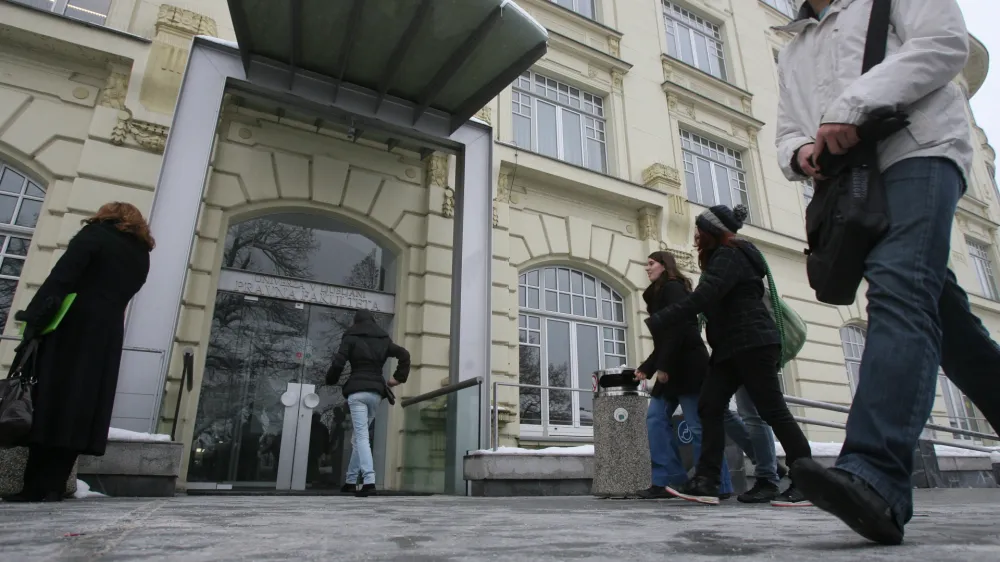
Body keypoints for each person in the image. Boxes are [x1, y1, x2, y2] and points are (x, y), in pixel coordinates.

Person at [776, 0, 1000, 544]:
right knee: (947, 320)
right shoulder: (794, 46)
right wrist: (801, 149)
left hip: (920, 149)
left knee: (899, 290)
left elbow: (946, 45)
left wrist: (852, 104)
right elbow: (787, 127)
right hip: (852, 181)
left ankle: (875, 475)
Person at [645, 204, 813, 507]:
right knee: (710, 407)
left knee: (771, 411)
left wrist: (665, 317)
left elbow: (707, 294)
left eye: (698, 230)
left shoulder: (731, 254)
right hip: (728, 348)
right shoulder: (723, 257)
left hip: (753, 344)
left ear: (711, 231)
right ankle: (707, 482)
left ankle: (806, 480)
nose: (695, 236)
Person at [2, 202, 153, 502]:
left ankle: (34, 486)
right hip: (106, 332)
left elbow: (61, 279)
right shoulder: (141, 255)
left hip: (70, 325)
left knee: (50, 400)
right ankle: (55, 484)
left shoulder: (94, 236)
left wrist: (33, 321)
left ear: (106, 215)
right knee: (79, 405)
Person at [635, 251, 735, 501]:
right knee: (655, 420)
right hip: (671, 364)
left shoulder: (673, 288)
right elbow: (664, 339)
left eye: (651, 263)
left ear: (664, 265)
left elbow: (679, 329)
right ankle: (667, 480)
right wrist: (647, 367)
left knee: (698, 426)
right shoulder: (656, 294)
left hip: (689, 365)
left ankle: (717, 483)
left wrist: (663, 366)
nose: (647, 268)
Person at [326, 309, 410, 497]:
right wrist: (397, 378)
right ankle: (350, 480)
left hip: (357, 393)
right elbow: (404, 354)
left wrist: (330, 380)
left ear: (356, 322)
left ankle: (369, 480)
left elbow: (339, 363)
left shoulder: (351, 337)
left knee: (361, 437)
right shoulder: (383, 339)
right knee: (358, 438)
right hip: (375, 394)